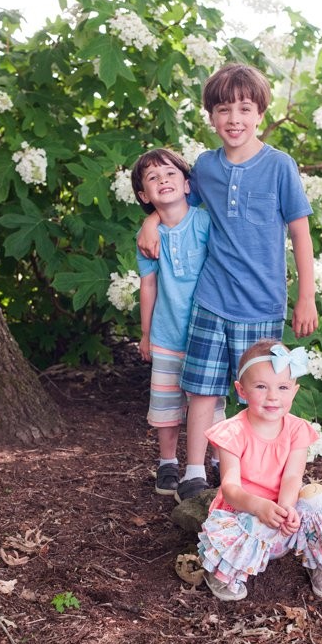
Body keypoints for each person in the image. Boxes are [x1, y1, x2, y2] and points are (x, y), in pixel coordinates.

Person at [137, 63, 318, 504]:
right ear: (211, 116)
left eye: (244, 108)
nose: (234, 118)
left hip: (262, 305)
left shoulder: (279, 166)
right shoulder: (206, 167)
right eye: (223, 109)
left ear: (260, 114)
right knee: (201, 388)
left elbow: (300, 233)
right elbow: (178, 202)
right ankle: (195, 473)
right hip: (211, 300)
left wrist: (306, 297)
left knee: (263, 394)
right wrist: (151, 220)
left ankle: (256, 474)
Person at [197, 339, 322, 602]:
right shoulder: (233, 432)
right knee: (246, 521)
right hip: (245, 518)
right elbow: (230, 488)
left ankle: (321, 563)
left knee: (317, 496)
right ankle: (223, 569)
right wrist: (259, 507)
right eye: (261, 386)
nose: (273, 396)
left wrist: (286, 509)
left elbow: (293, 476)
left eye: (282, 387)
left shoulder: (297, 430)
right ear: (242, 390)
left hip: (283, 521)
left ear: (294, 391)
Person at [131, 148, 224, 495]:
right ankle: (167, 463)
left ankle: (216, 461)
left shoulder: (204, 223)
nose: (163, 181)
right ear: (144, 195)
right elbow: (148, 285)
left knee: (211, 404)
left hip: (207, 333)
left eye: (170, 174)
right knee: (167, 405)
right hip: (167, 335)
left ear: (187, 184)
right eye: (153, 178)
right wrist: (146, 334)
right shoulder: (147, 238)